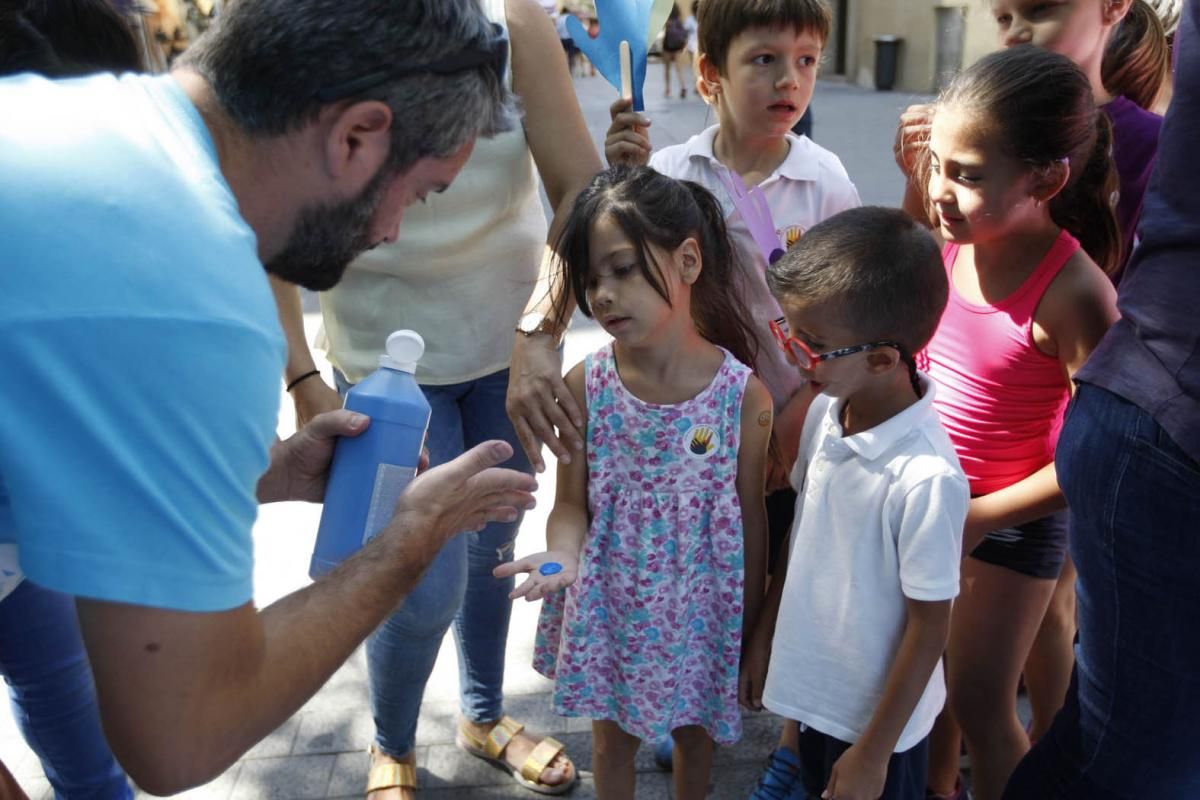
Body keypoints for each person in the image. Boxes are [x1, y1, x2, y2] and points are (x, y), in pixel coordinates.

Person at [0, 0, 540, 795]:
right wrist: (405, 546)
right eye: (419, 194)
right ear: (357, 135)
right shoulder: (194, 287)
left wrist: (264, 474)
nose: (391, 232)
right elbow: (178, 735)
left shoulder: (80, 123)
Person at [270, 0, 600, 795]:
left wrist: (539, 329)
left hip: (508, 352)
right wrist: (303, 378)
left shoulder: (512, 21)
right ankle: (392, 739)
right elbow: (270, 221)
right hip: (382, 371)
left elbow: (580, 188)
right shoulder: (320, 26)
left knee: (493, 550)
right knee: (420, 586)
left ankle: (483, 715)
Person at [497, 166, 773, 800]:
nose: (603, 295)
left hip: (706, 617)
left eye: (622, 269)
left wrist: (755, 628)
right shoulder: (586, 386)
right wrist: (565, 554)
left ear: (688, 260)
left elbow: (751, 519)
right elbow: (570, 505)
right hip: (610, 607)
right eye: (592, 279)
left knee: (695, 747)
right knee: (608, 745)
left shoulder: (742, 397)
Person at [1005, 3, 1200, 795]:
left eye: (1038, 10)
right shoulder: (1003, 129)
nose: (1016, 29)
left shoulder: (1140, 141)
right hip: (1146, 425)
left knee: (1091, 698)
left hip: (1079, 445)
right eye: (1003, 14)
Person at [917, 46, 1121, 800]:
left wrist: (981, 515)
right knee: (932, 688)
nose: (941, 190)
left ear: (1046, 177)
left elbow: (1093, 455)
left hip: (1010, 525)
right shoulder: (957, 246)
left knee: (978, 701)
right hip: (944, 511)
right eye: (936, 163)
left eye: (967, 175)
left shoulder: (1076, 293)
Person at [741, 206, 967, 800]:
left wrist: (872, 754)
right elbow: (803, 535)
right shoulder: (825, 411)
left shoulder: (926, 479)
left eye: (812, 346)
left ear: (883, 360)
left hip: (881, 734)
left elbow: (930, 628)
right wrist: (765, 633)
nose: (793, 355)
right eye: (788, 333)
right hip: (818, 698)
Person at [662, 4, 689, 98]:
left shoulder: (667, 20)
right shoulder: (678, 20)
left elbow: (662, 29)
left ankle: (667, 88)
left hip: (667, 46)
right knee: (679, 68)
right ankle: (683, 86)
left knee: (667, 68)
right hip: (677, 46)